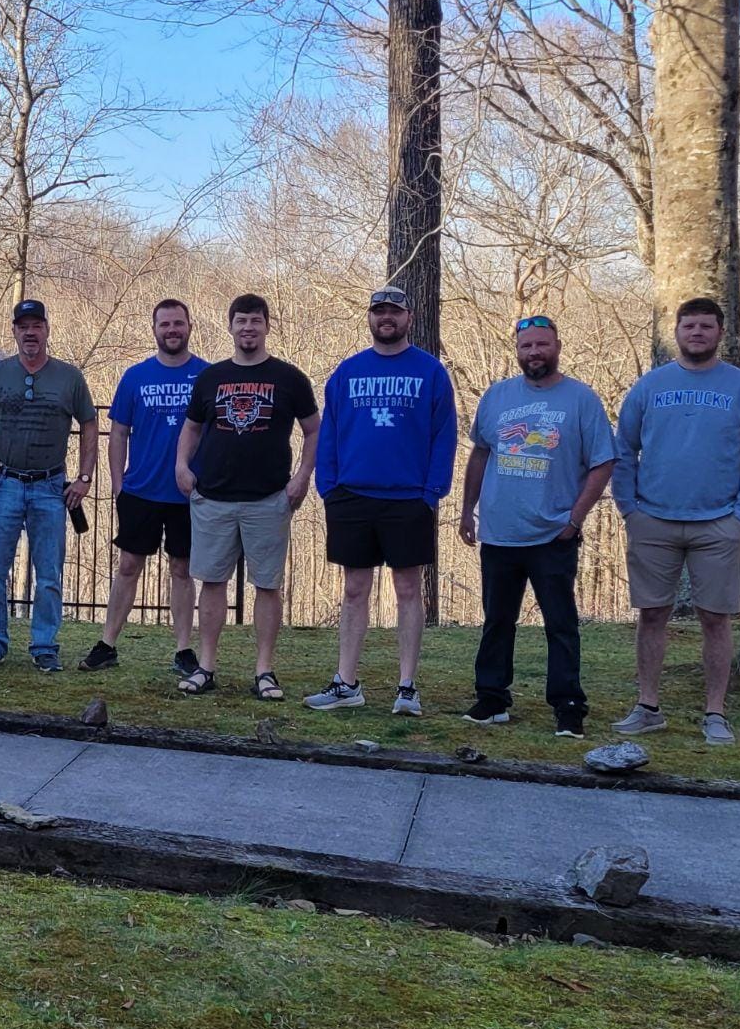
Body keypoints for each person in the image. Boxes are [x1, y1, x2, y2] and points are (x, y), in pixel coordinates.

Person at [611, 296, 740, 746]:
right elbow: (623, 450)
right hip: (653, 520)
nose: (697, 333)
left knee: (715, 619)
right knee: (652, 614)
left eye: (706, 326)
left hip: (718, 522)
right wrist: (630, 509)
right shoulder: (650, 386)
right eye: (689, 326)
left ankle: (715, 713)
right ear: (677, 332)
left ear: (721, 332)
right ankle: (647, 707)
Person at [455, 314, 614, 735]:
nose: (534, 352)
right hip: (500, 532)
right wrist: (467, 509)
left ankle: (568, 705)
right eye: (526, 346)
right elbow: (480, 453)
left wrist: (574, 519)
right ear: (517, 351)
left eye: (542, 344)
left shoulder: (581, 399)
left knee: (560, 624)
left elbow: (603, 462)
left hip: (553, 534)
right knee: (497, 620)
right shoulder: (497, 396)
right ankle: (492, 699)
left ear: (557, 347)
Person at [305, 286, 457, 716]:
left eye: (394, 311)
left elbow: (444, 435)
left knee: (408, 589)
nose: (386, 317)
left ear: (409, 318)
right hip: (352, 496)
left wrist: (431, 493)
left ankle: (407, 687)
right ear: (370, 318)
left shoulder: (430, 372)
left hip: (409, 499)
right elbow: (329, 433)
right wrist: (328, 487)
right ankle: (346, 683)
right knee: (354, 589)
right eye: (379, 311)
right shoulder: (348, 372)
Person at [173, 294, 320, 700]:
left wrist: (302, 477)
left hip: (269, 498)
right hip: (213, 497)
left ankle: (264, 671)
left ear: (267, 326)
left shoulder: (290, 378)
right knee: (212, 582)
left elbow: (313, 430)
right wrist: (181, 466)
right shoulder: (211, 377)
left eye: (255, 320)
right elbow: (191, 427)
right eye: (241, 321)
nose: (248, 328)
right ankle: (206, 666)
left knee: (267, 585)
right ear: (230, 326)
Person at [0, 298, 98, 672]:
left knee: (48, 575)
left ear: (47, 330)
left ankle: (44, 646)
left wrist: (84, 477)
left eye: (36, 326)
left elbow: (90, 423)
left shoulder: (69, 377)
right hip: (4, 484)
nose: (30, 333)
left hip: (50, 486)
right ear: (13, 332)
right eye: (23, 327)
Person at [80, 299, 207, 677]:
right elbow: (118, 432)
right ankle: (107, 644)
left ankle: (184, 650)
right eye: (164, 324)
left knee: (182, 569)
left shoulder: (207, 376)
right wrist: (119, 484)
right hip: (141, 490)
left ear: (189, 327)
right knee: (128, 566)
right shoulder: (135, 377)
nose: (172, 330)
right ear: (154, 330)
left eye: (178, 323)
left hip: (187, 493)